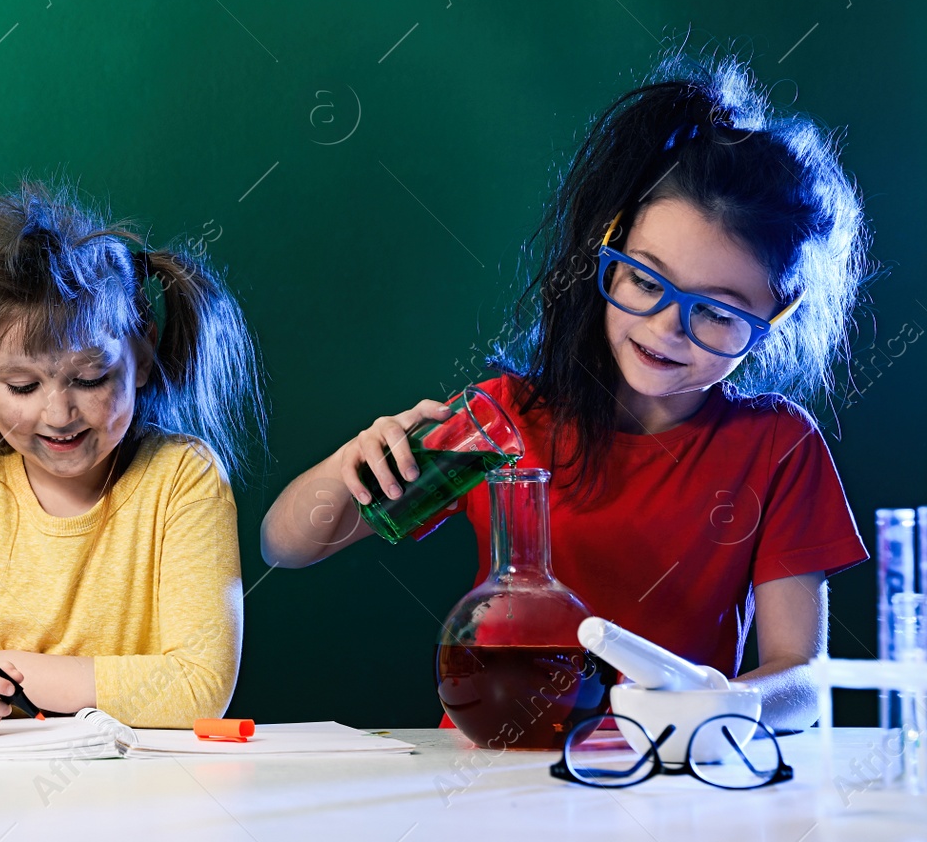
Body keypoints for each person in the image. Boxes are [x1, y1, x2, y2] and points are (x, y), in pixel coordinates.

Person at [260, 53, 872, 729]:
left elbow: (803, 676)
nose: (668, 327)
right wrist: (352, 465)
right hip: (493, 776)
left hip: (671, 783)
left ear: (776, 316)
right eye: (644, 280)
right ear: (605, 249)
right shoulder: (505, 418)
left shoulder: (779, 448)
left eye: (720, 312)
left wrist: (728, 703)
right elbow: (284, 546)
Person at [0, 181, 264, 736]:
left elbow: (197, 689)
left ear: (143, 352)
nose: (58, 414)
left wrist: (17, 672)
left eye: (90, 378)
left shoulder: (182, 479)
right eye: (21, 385)